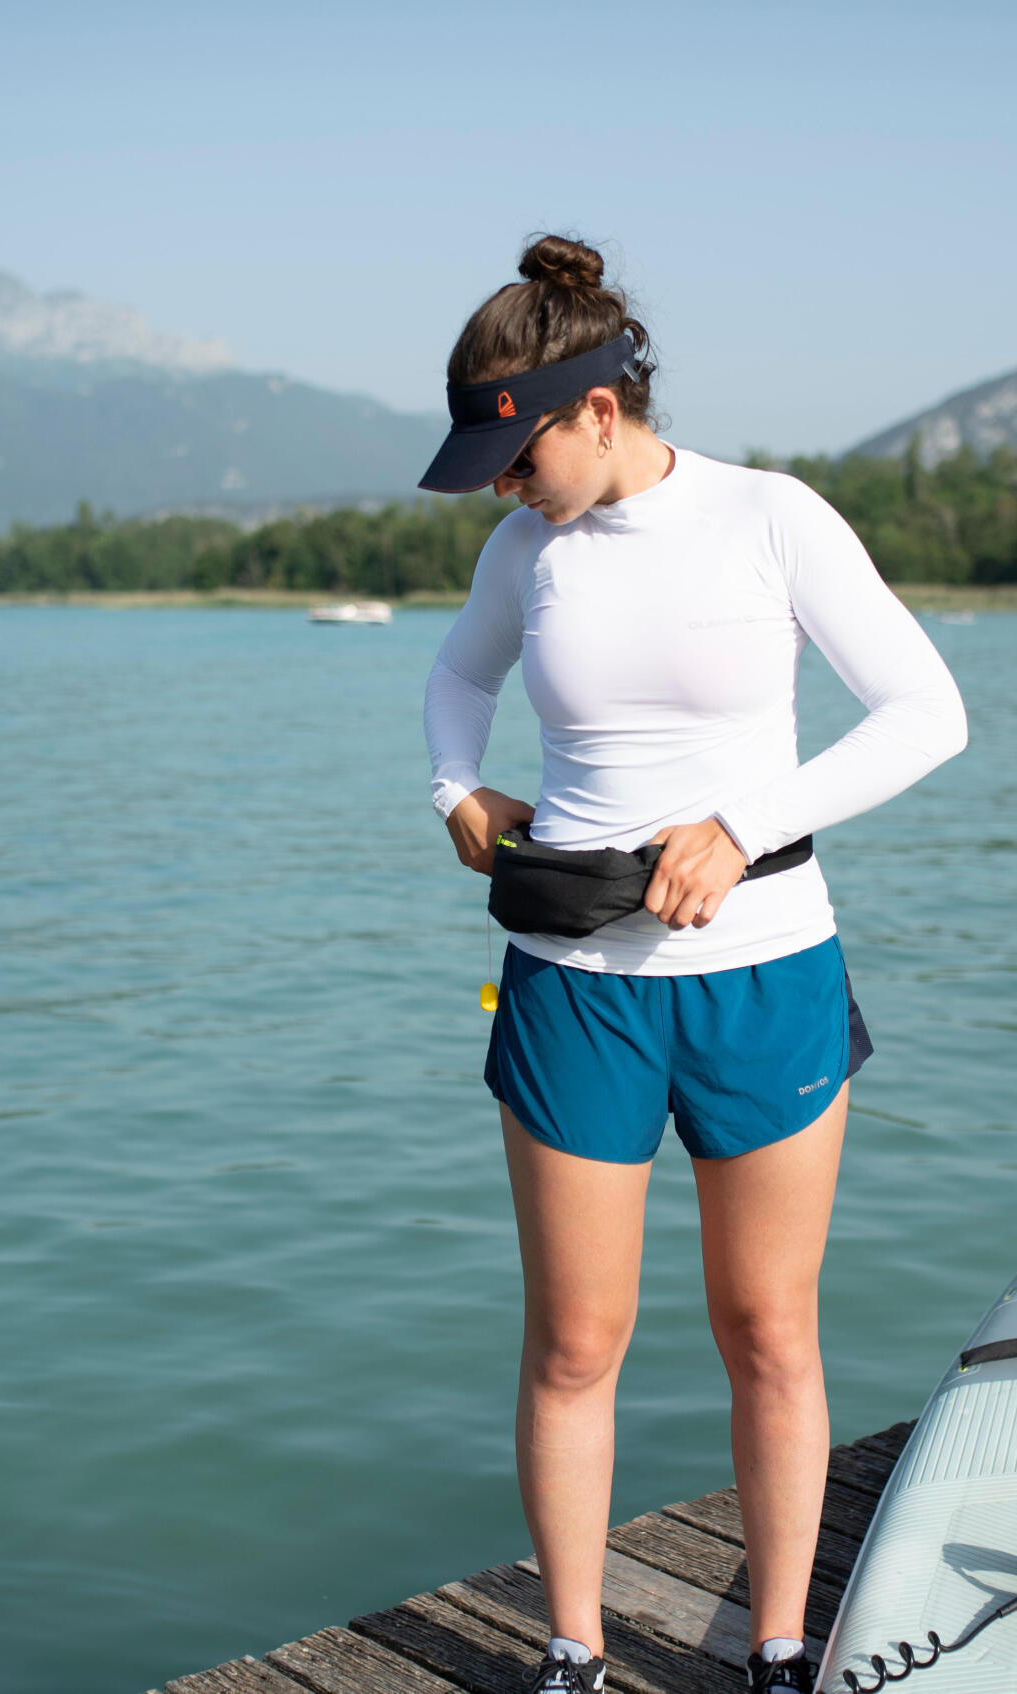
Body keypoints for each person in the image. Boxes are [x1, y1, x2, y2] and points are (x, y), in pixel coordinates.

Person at [419, 236, 967, 1694]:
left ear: (600, 407)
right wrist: (456, 791)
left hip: (764, 969)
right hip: (570, 982)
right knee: (574, 1342)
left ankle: (782, 1648)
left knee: (768, 1329)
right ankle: (573, 1651)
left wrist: (743, 824)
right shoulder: (522, 549)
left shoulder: (770, 518)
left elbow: (928, 712)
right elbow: (454, 677)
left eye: (511, 446)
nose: (495, 480)